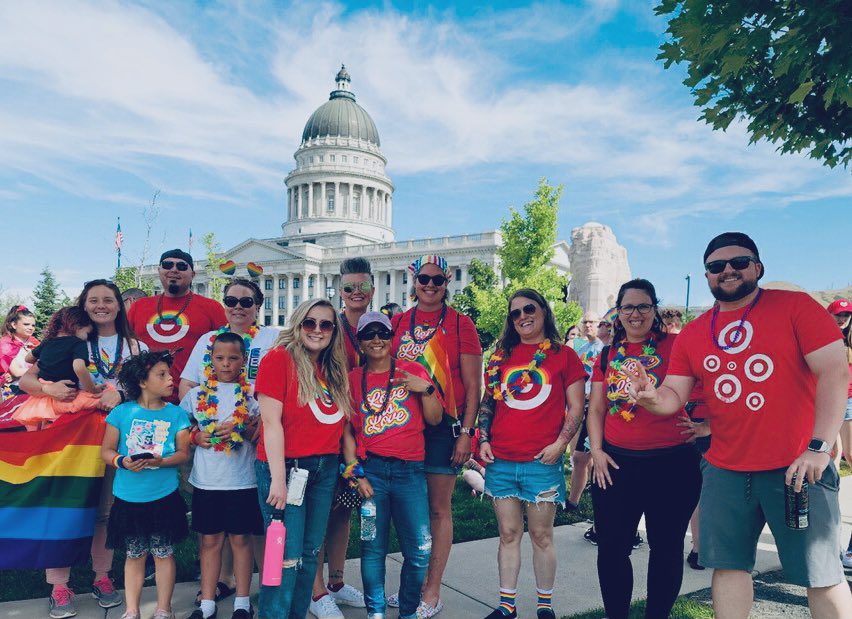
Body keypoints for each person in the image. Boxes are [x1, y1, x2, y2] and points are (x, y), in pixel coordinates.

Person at [630, 232, 852, 619]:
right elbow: (673, 395)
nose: (728, 270)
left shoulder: (795, 307)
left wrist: (818, 447)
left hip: (797, 466)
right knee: (728, 567)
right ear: (707, 276)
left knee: (820, 574)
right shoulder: (694, 333)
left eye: (739, 262)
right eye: (717, 266)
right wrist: (650, 396)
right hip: (725, 469)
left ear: (758, 267)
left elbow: (835, 373)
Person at [17, 279, 146, 618]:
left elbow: (149, 389)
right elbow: (25, 380)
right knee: (64, 507)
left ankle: (102, 576)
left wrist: (123, 394)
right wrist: (49, 389)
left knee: (105, 510)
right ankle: (59, 586)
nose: (101, 305)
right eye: (94, 300)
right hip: (69, 437)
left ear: (119, 305)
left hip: (115, 437)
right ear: (83, 305)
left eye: (108, 299)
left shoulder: (135, 346)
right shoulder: (69, 340)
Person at [587, 279, 701, 619]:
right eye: (628, 307)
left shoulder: (678, 345)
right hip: (615, 465)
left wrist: (706, 426)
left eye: (643, 306)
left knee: (666, 548)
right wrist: (596, 451)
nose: (635, 314)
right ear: (618, 312)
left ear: (655, 309)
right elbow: (596, 408)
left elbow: (712, 386)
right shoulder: (607, 353)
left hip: (672, 464)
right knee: (611, 548)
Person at [477, 289, 586, 619]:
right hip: (502, 461)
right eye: (515, 313)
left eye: (529, 309)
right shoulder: (500, 357)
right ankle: (507, 604)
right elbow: (488, 402)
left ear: (543, 311)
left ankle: (544, 605)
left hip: (542, 462)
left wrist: (560, 444)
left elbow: (576, 407)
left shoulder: (564, 355)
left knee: (541, 535)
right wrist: (483, 439)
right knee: (508, 534)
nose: (522, 316)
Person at [389, 255, 483, 618]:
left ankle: (432, 589)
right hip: (404, 424)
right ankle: (413, 583)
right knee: (409, 510)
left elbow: (473, 386)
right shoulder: (399, 321)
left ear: (447, 281)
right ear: (414, 281)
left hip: (445, 427)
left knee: (438, 509)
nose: (430, 286)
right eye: (424, 279)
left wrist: (467, 434)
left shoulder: (460, 324)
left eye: (437, 280)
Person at [253, 299, 351, 619]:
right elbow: (270, 423)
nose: (317, 330)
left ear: (334, 331)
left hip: (323, 469)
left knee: (309, 554)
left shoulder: (332, 367)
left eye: (326, 324)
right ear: (297, 324)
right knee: (284, 555)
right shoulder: (278, 359)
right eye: (310, 322)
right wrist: (278, 480)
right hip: (286, 468)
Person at [343, 311, 442, 619]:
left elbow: (435, 419)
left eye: (383, 333)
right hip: (371, 472)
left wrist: (425, 388)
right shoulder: (352, 379)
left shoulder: (412, 370)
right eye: (368, 334)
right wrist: (355, 473)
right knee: (372, 549)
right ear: (360, 342)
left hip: (410, 472)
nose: (376, 339)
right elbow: (346, 431)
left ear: (391, 338)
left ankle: (408, 612)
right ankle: (376, 613)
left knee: (420, 550)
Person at [102, 351, 192, 619]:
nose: (170, 379)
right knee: (135, 554)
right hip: (128, 498)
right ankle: (132, 609)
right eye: (161, 375)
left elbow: (183, 454)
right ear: (142, 381)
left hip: (163, 497)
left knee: (163, 553)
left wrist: (160, 462)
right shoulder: (121, 413)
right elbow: (106, 451)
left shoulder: (176, 414)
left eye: (170, 374)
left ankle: (164, 608)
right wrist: (122, 461)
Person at [181, 332, 263, 619]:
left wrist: (244, 429)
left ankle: (242, 601)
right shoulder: (195, 396)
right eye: (219, 358)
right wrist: (194, 436)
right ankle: (207, 603)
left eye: (233, 358)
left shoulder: (252, 396)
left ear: (244, 360)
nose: (226, 363)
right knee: (209, 541)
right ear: (210, 359)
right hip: (208, 481)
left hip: (242, 480)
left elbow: (262, 432)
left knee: (241, 540)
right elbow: (180, 428)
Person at [309, 259, 373, 619]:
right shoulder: (329, 325)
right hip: (329, 427)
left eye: (362, 286)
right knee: (320, 509)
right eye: (349, 287)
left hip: (365, 431)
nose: (355, 293)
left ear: (372, 289)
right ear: (340, 291)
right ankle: (316, 590)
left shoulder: (381, 326)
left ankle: (336, 580)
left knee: (343, 510)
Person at [128, 249, 226, 402]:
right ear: (159, 270)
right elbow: (123, 347)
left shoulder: (212, 308)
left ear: (193, 274)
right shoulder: (138, 307)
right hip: (143, 401)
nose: (174, 270)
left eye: (181, 266)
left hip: (193, 401)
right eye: (167, 265)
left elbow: (228, 350)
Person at [179, 278, 278, 399]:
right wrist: (196, 410)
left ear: (257, 307)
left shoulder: (274, 338)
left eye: (246, 302)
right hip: (208, 409)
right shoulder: (207, 340)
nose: (238, 306)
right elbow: (187, 384)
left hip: (258, 410)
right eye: (231, 301)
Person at [12, 307, 105, 425]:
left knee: (42, 428)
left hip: (40, 403)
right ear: (77, 326)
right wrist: (92, 389)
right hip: (69, 397)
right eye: (88, 333)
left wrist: (46, 359)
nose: (87, 337)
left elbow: (28, 358)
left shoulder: (47, 343)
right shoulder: (78, 343)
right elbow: (79, 367)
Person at [568, 311, 603, 514]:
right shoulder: (582, 349)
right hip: (583, 406)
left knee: (593, 457)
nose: (588, 325)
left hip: (599, 409)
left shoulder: (605, 348)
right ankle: (573, 502)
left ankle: (601, 507)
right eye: (585, 322)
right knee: (579, 457)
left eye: (592, 322)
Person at [827, 299, 852, 568]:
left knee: (849, 456)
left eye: (847, 314)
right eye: (838, 314)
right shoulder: (822, 337)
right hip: (828, 400)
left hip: (849, 401)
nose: (843, 318)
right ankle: (831, 541)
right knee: (830, 461)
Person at [0, 305, 39, 399]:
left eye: (33, 325)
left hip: (35, 387)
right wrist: (43, 368)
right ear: (14, 325)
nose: (31, 328)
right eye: (26, 324)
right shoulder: (6, 345)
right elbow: (17, 372)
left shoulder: (35, 343)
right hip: (14, 390)